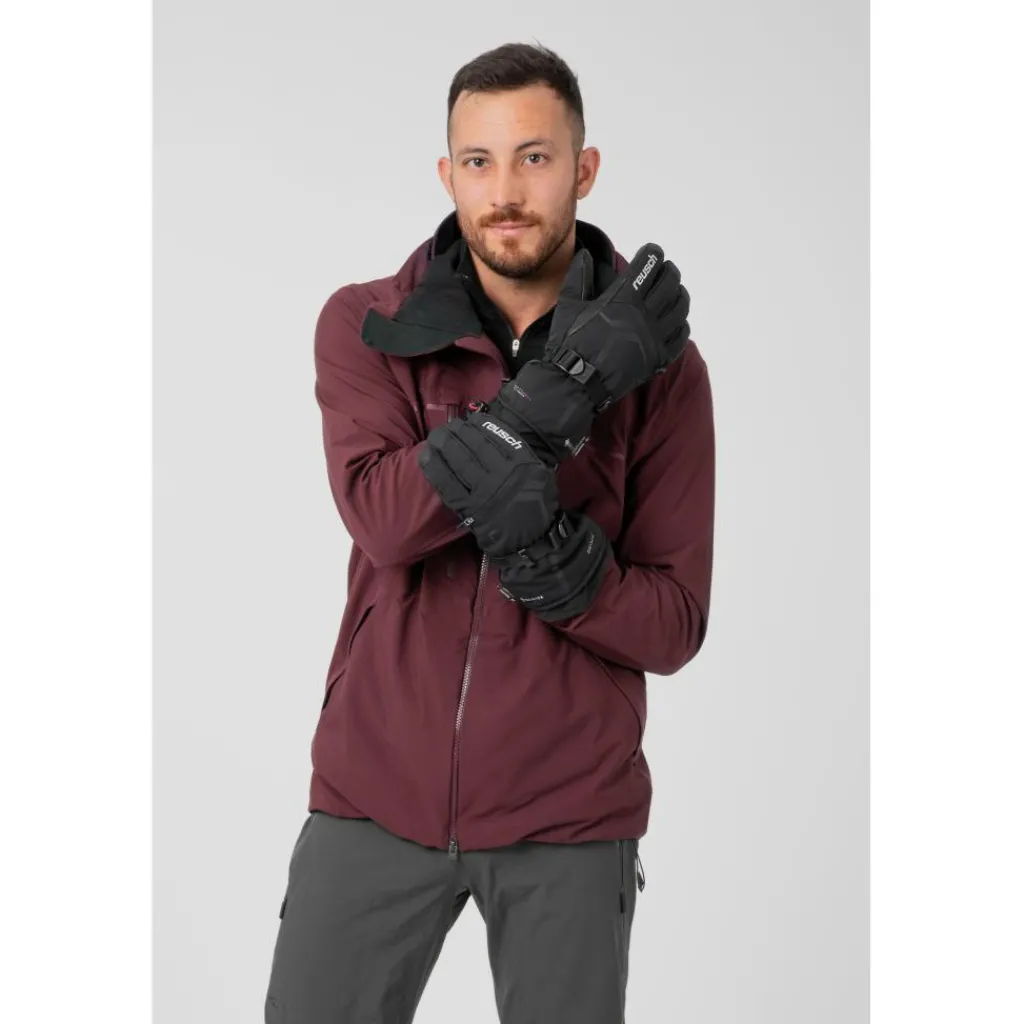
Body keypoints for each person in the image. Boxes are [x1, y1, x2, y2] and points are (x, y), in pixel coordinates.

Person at [264, 41, 715, 1024]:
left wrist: (563, 568)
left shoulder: (666, 372)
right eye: (478, 160)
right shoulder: (366, 324)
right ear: (447, 174)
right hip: (373, 792)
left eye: (534, 157)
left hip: (570, 813)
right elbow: (386, 521)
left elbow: (674, 622)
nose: (504, 192)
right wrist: (563, 393)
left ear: (584, 169)